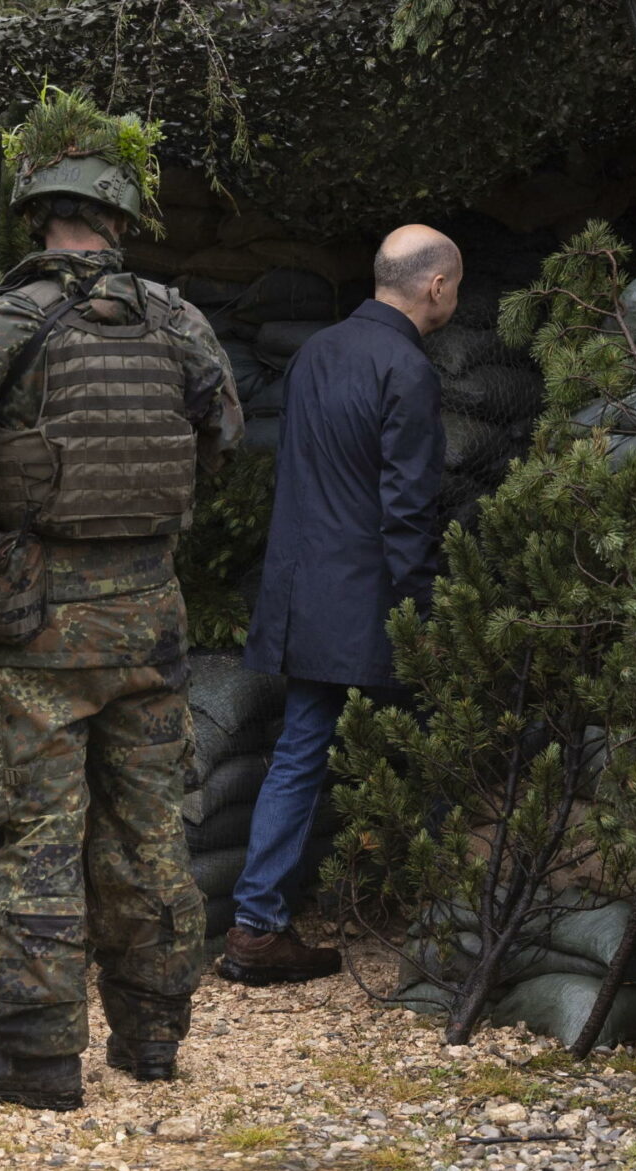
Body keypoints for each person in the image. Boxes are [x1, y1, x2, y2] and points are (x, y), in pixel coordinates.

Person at [0, 90, 241, 1110]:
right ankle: (153, 1036)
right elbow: (222, 439)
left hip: (32, 625)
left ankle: (37, 1057)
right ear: (122, 218)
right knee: (151, 834)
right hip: (148, 625)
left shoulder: (2, 324)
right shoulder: (178, 321)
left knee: (35, 839)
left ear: (38, 213)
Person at [219, 225, 459, 985]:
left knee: (298, 751)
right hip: (372, 597)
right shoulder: (407, 369)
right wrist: (422, 614)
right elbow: (407, 508)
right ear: (436, 287)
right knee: (441, 743)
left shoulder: (313, 353)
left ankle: (256, 923)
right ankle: (447, 922)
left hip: (301, 591)